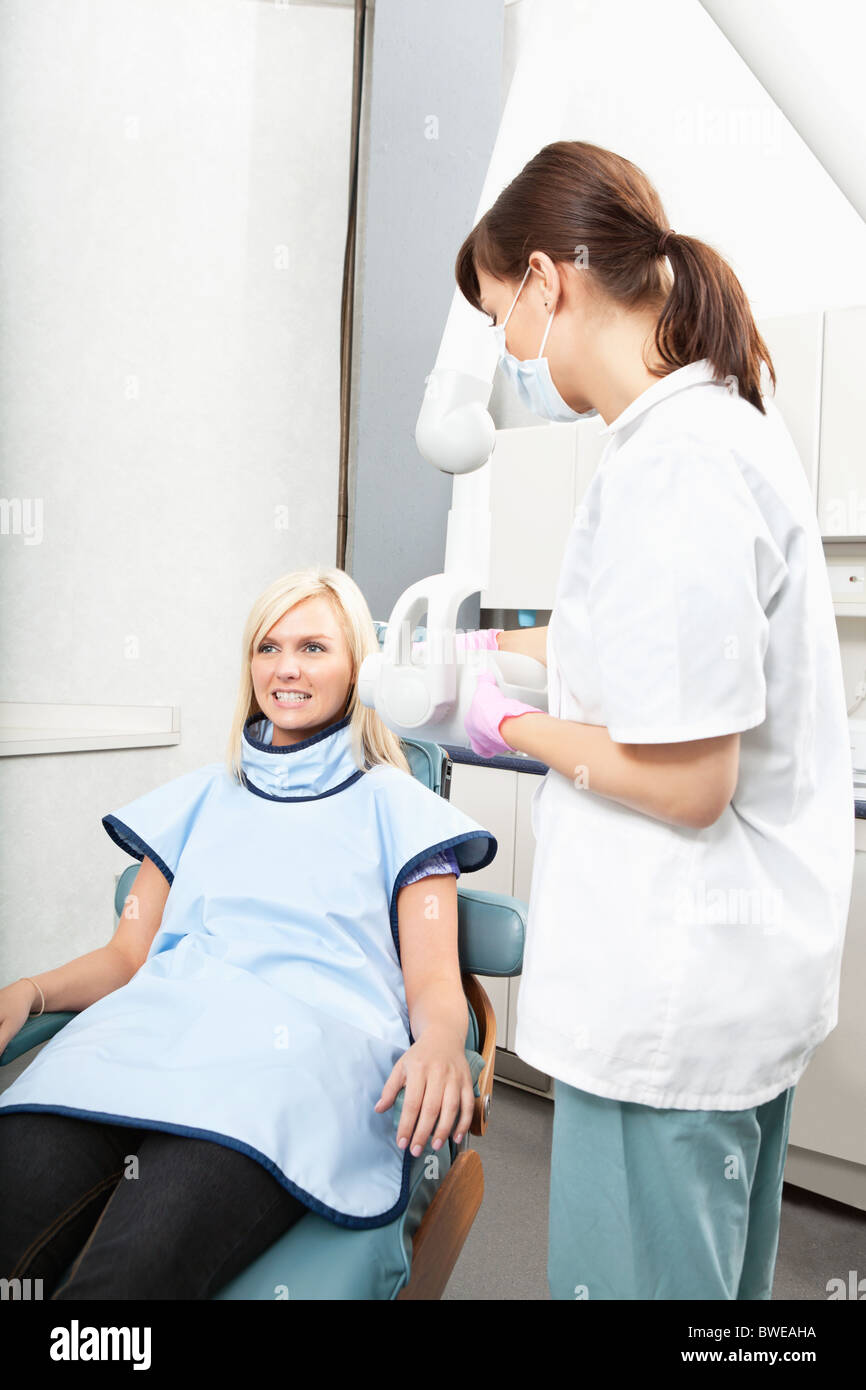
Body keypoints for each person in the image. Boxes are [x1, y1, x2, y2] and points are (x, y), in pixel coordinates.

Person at [456, 140, 855, 1300]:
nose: (513, 356)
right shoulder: (705, 434)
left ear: (547, 280)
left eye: (502, 322)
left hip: (668, 1007)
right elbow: (633, 648)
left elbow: (688, 779)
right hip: (720, 998)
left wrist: (501, 727)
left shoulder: (675, 462)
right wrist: (486, 652)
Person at [0, 566, 496, 1299]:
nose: (286, 668)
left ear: (360, 664)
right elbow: (126, 956)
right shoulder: (201, 797)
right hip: (145, 1040)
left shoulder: (400, 808)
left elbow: (432, 984)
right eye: (268, 647)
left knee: (124, 1285)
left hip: (280, 1076)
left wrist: (440, 1042)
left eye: (314, 648)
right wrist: (32, 989)